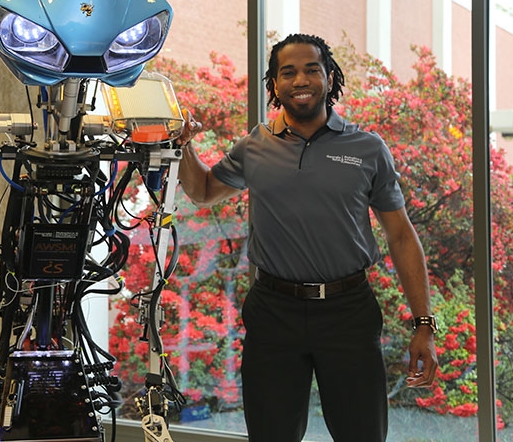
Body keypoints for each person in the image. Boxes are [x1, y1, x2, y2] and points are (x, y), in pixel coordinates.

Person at [176, 33, 438, 441]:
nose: (301, 79)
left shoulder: (367, 148)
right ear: (274, 85)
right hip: (272, 313)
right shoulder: (255, 147)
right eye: (289, 72)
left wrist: (424, 323)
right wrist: (183, 147)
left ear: (330, 78)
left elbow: (401, 236)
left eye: (312, 69)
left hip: (348, 313)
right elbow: (204, 191)